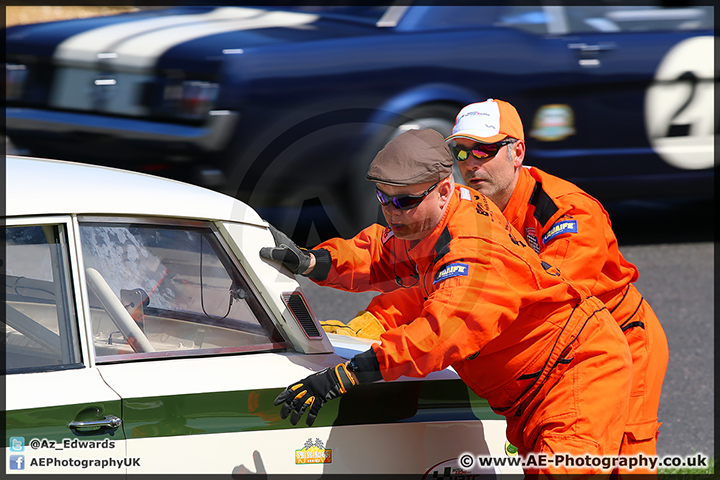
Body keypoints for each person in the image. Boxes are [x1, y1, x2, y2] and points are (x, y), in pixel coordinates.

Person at [261, 128, 632, 477]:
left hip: (572, 373)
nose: (393, 212)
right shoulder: (432, 217)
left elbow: (438, 335)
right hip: (531, 385)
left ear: (443, 189)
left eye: (404, 202)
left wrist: (351, 372)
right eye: (384, 199)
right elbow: (382, 252)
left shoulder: (472, 254)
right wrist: (313, 261)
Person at [445, 98, 669, 475]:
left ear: (516, 152)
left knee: (623, 462)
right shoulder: (467, 210)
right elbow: (433, 274)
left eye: (484, 148)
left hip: (622, 339)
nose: (470, 162)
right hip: (554, 348)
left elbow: (552, 293)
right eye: (461, 150)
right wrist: (381, 317)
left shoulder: (568, 210)